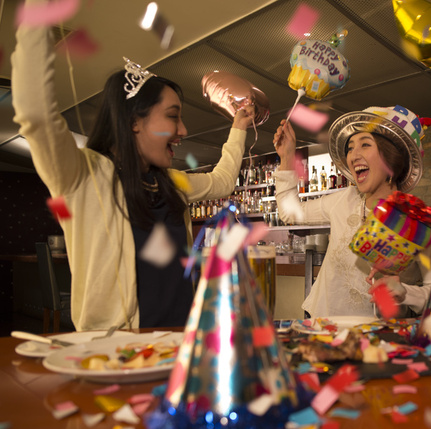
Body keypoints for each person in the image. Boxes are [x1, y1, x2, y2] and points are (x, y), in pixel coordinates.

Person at [11, 3, 254, 331]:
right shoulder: (83, 176)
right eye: (172, 116)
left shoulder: (171, 182)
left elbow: (223, 181)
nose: (182, 131)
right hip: (117, 357)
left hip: (179, 345)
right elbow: (36, 113)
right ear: (134, 121)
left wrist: (238, 126)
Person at [273, 105, 431, 318]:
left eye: (365, 144)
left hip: (377, 341)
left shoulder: (420, 224)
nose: (353, 155)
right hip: (323, 327)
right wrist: (287, 157)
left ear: (390, 158)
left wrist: (406, 292)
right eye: (350, 147)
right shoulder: (343, 201)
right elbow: (289, 212)